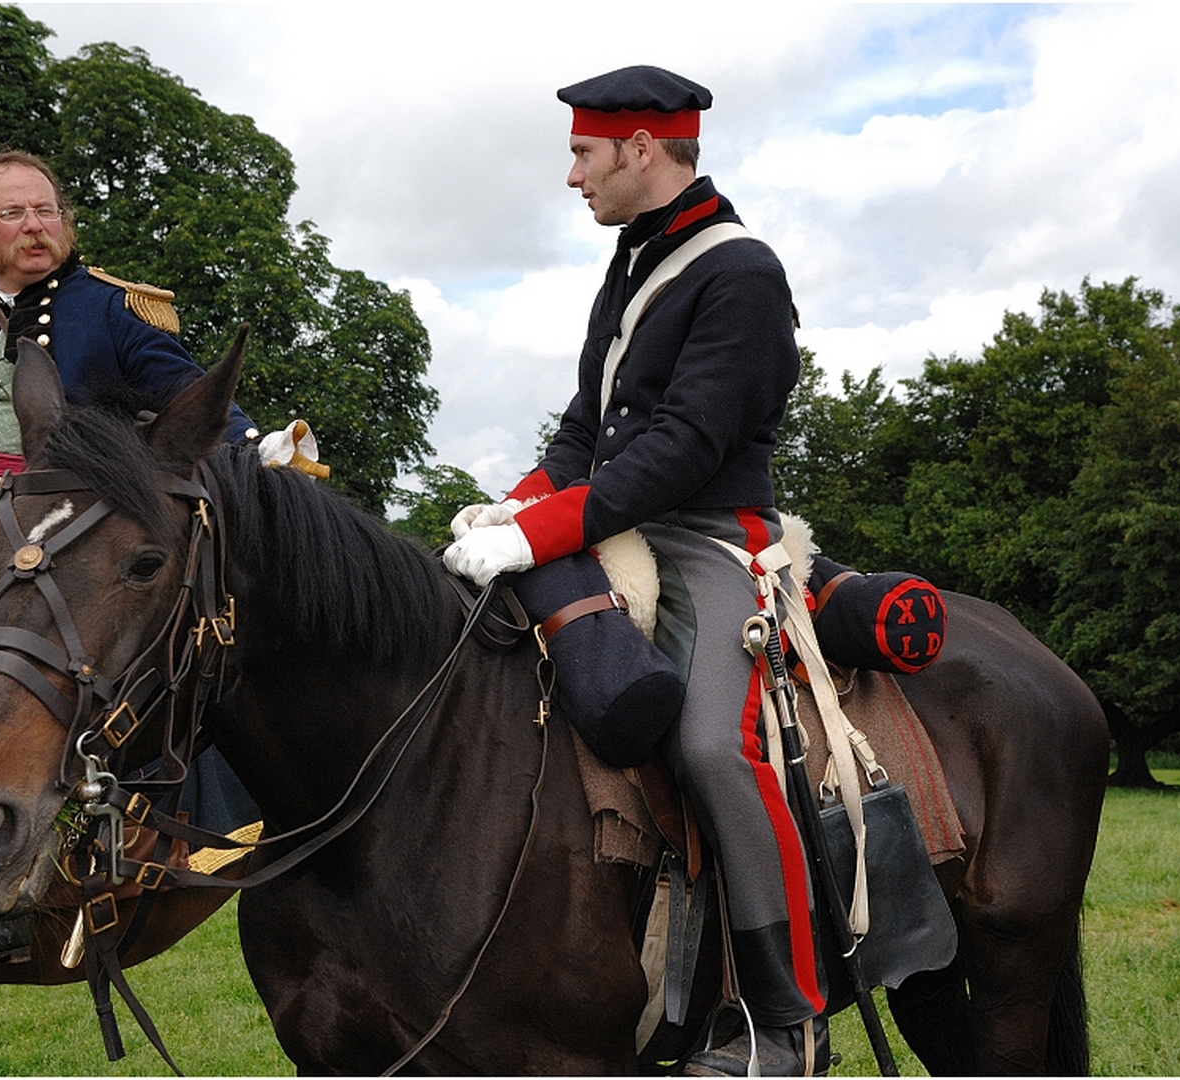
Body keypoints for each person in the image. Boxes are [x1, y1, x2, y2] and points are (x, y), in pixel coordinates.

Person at [443, 67, 823, 1074]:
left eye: (583, 153)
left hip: (709, 535)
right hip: (612, 519)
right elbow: (585, 430)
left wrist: (542, 534)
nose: (572, 175)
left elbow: (685, 447)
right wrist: (516, 507)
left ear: (642, 147)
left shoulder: (739, 272)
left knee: (712, 746)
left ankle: (786, 1021)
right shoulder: (633, 258)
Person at [0, 149, 290, 966]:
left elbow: (184, 397)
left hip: (54, 532)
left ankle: (4, 883)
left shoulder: (107, 309)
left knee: (5, 663)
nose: (35, 226)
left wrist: (254, 448)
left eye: (46, 211)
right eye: (13, 214)